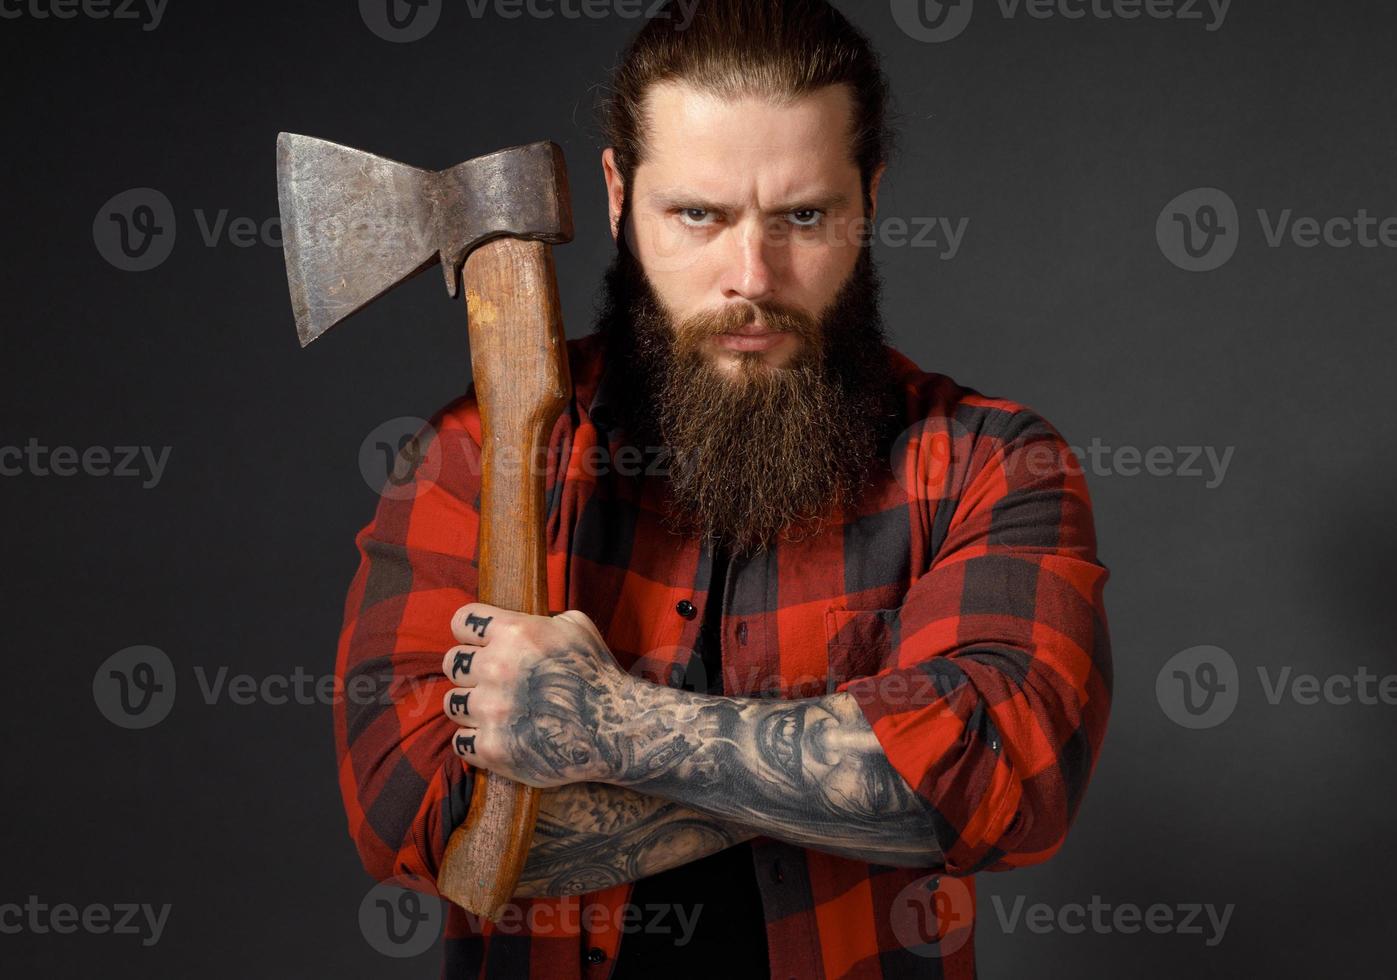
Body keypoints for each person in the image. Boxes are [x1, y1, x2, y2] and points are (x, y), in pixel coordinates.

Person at [333, 2, 1112, 976]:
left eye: (804, 215)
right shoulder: (473, 458)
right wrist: (854, 765)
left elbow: (997, 773)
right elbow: (417, 812)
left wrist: (607, 725)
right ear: (620, 195)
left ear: (868, 198)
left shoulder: (988, 462)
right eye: (698, 213)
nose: (753, 275)